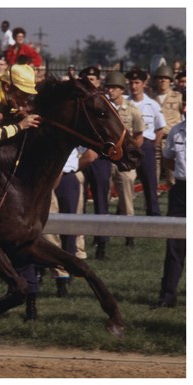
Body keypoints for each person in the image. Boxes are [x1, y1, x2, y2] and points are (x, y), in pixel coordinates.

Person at [45, 147, 97, 296]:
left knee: (69, 229)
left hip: (67, 177)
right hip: (46, 178)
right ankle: (60, 275)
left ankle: (67, 273)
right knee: (49, 230)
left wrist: (73, 166)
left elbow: (91, 154)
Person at [104, 71, 145, 247]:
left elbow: (139, 136)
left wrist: (128, 155)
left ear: (121, 90)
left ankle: (130, 235)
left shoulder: (132, 110)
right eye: (108, 87)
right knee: (103, 197)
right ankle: (102, 235)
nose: (111, 91)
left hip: (124, 160)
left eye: (114, 88)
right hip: (106, 158)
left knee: (127, 197)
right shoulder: (104, 109)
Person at [152, 118, 186, 309]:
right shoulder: (177, 130)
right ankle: (167, 296)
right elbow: (168, 158)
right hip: (181, 192)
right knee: (174, 245)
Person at [79, 66, 112, 259]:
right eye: (86, 79)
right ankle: (77, 242)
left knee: (101, 201)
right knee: (79, 203)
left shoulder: (105, 104)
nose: (90, 82)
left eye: (93, 78)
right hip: (80, 158)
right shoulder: (78, 105)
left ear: (99, 82)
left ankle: (102, 243)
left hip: (99, 158)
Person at [126, 67, 166, 216]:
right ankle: (124, 214)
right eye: (131, 83)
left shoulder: (152, 105)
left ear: (144, 84)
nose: (134, 86)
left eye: (137, 82)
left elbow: (160, 129)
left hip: (146, 146)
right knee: (125, 182)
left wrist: (151, 147)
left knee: (150, 183)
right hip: (127, 147)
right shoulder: (125, 103)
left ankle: (153, 214)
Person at [152, 65, 184, 188]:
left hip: (172, 140)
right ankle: (151, 204)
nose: (163, 81)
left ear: (170, 80)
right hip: (155, 139)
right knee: (153, 174)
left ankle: (176, 202)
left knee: (173, 176)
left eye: (166, 78)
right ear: (156, 80)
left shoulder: (178, 97)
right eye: (160, 78)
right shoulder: (151, 98)